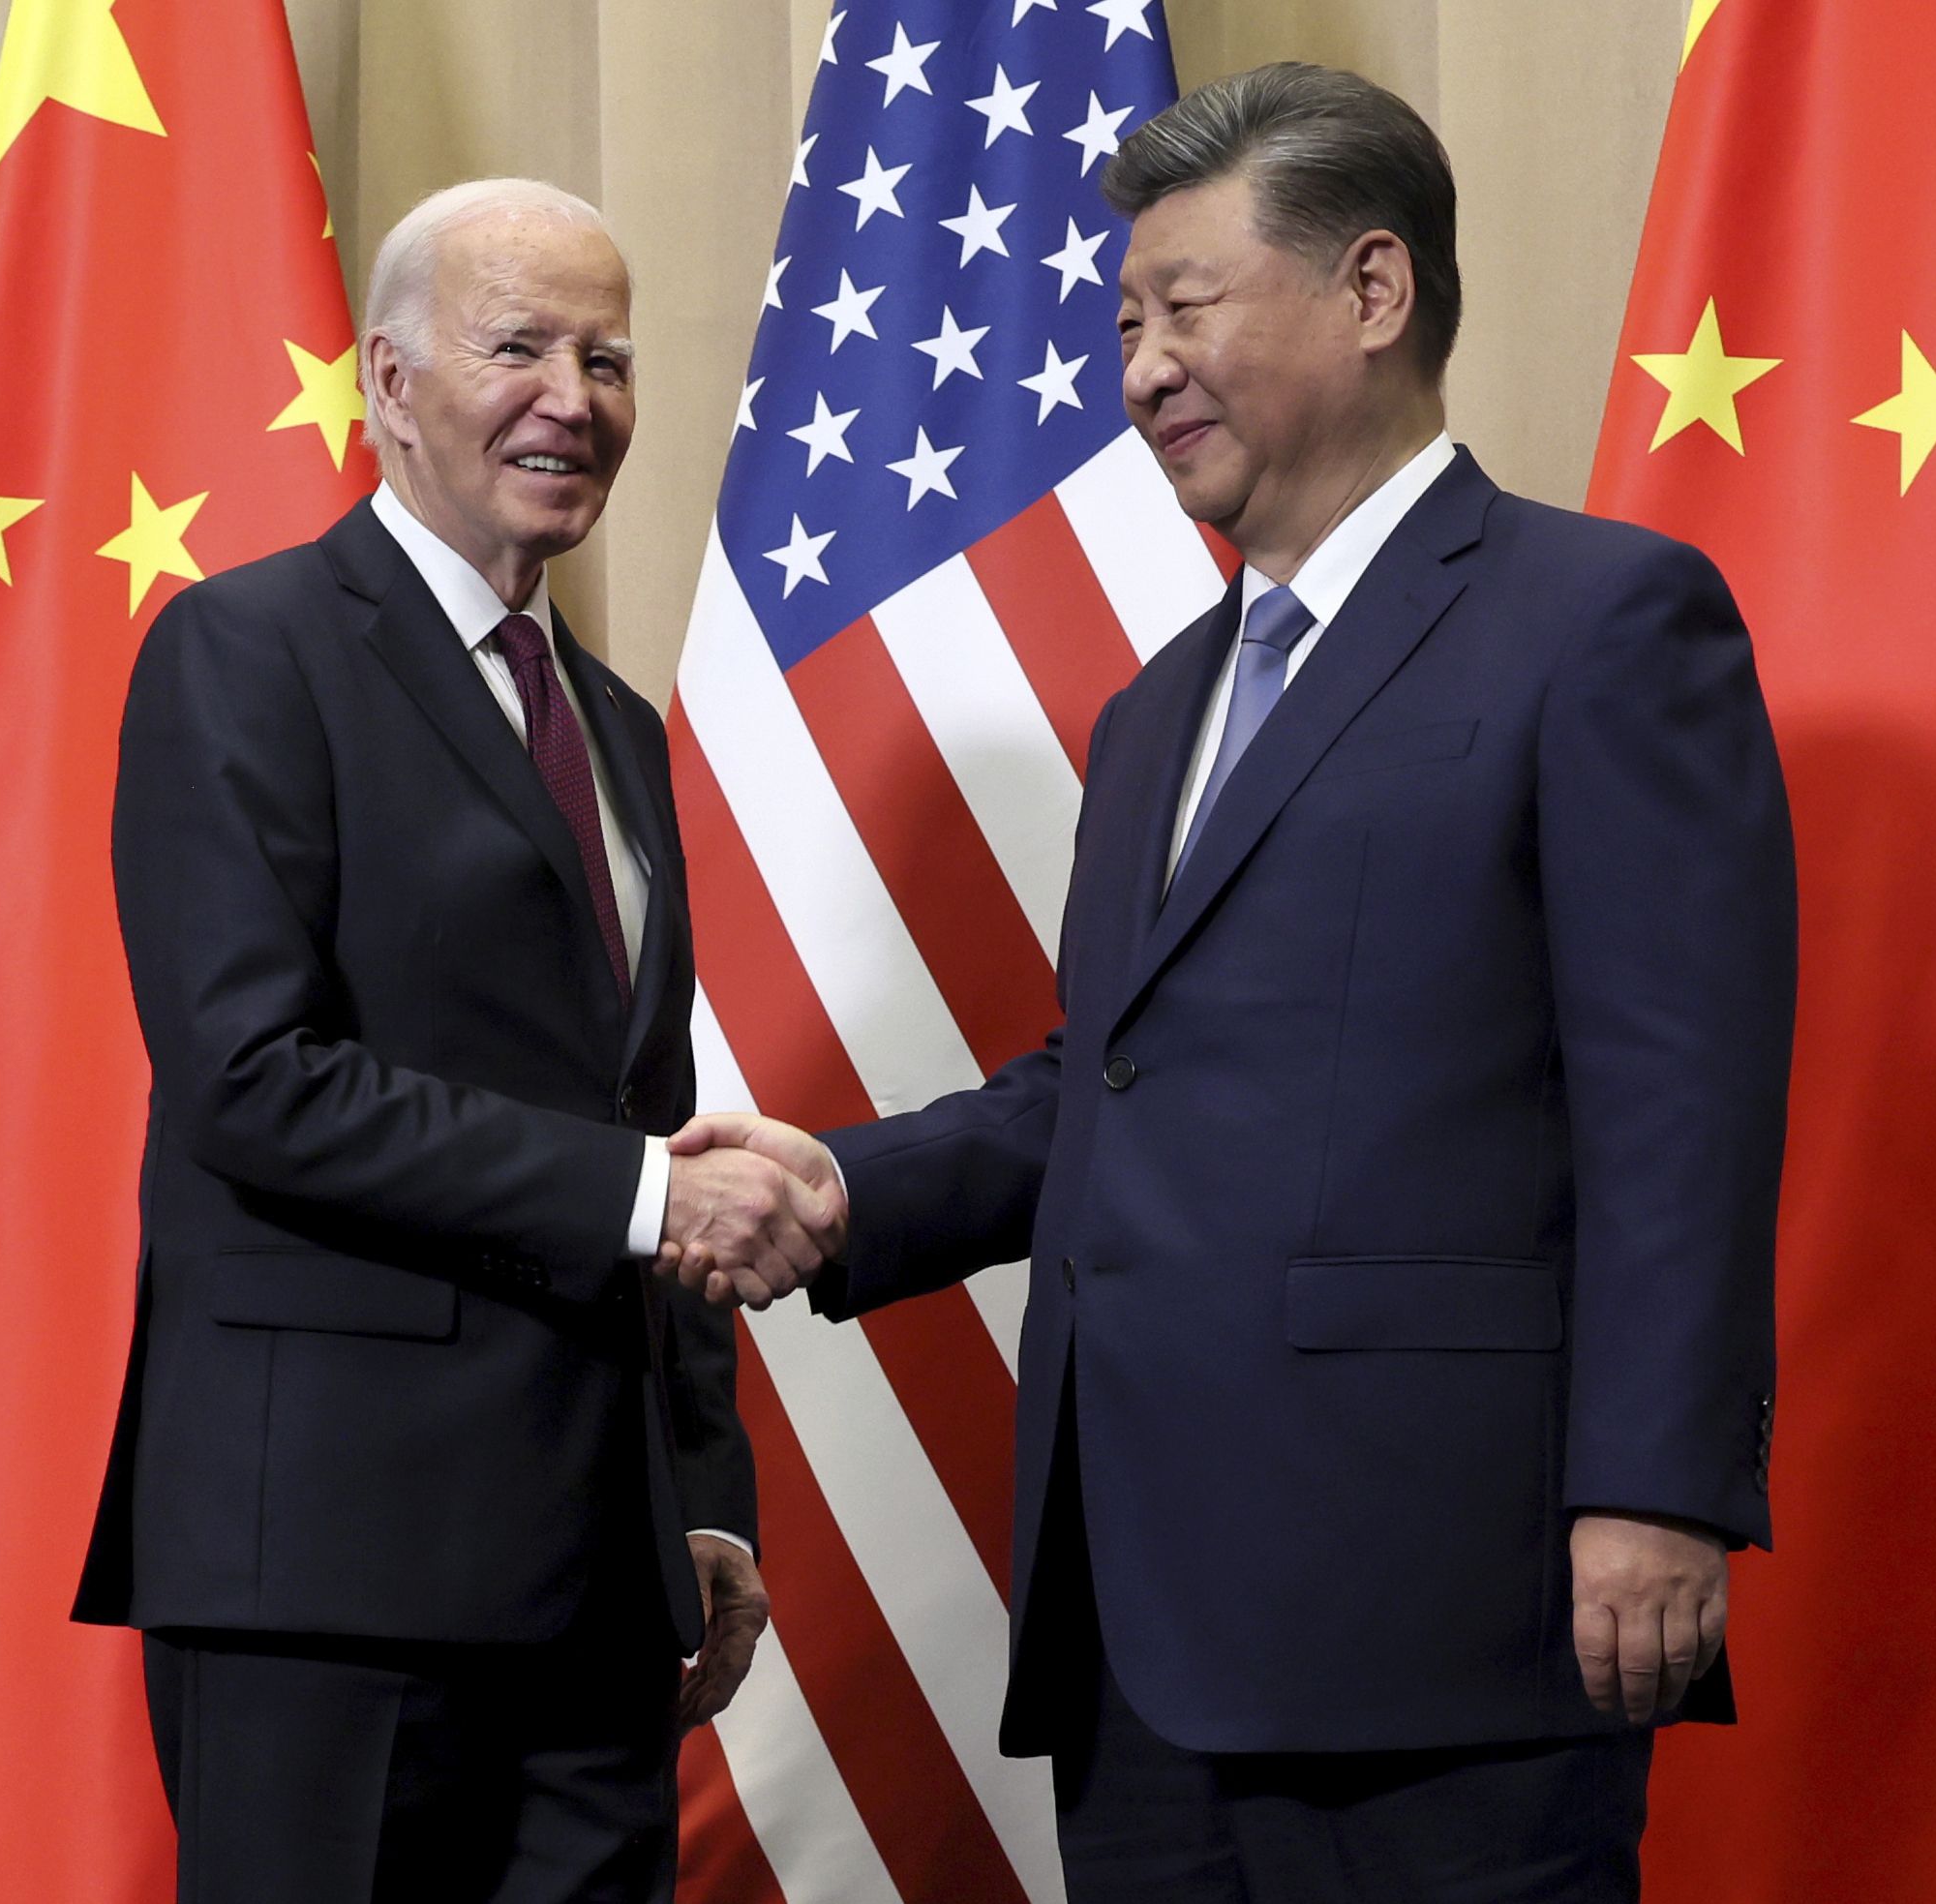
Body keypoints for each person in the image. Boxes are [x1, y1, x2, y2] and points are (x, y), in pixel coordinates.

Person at [664, 65, 1796, 1902]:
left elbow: (1683, 1099)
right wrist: (849, 1185)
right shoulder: (1155, 711)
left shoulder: (1602, 622)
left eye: (1185, 308)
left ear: (1372, 292)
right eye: (1123, 327)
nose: (1141, 371)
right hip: (1140, 1626)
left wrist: (1657, 1491)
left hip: (1444, 1613)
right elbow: (1109, 1081)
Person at [73, 177, 834, 1903]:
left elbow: (653, 1121)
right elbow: (250, 1080)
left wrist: (701, 1497)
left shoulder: (621, 732)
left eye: (611, 356)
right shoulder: (246, 650)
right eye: (519, 345)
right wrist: (648, 1195)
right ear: (390, 386)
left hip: (590, 1580)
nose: (576, 394)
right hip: (330, 1572)